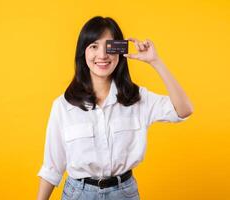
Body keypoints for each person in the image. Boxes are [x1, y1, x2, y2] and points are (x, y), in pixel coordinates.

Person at [37, 16, 193, 200]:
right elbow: (52, 168)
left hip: (124, 193)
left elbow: (184, 109)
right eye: (94, 46)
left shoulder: (137, 98)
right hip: (77, 194)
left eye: (109, 46)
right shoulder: (63, 106)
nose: (102, 55)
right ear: (83, 52)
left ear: (120, 50)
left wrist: (155, 62)